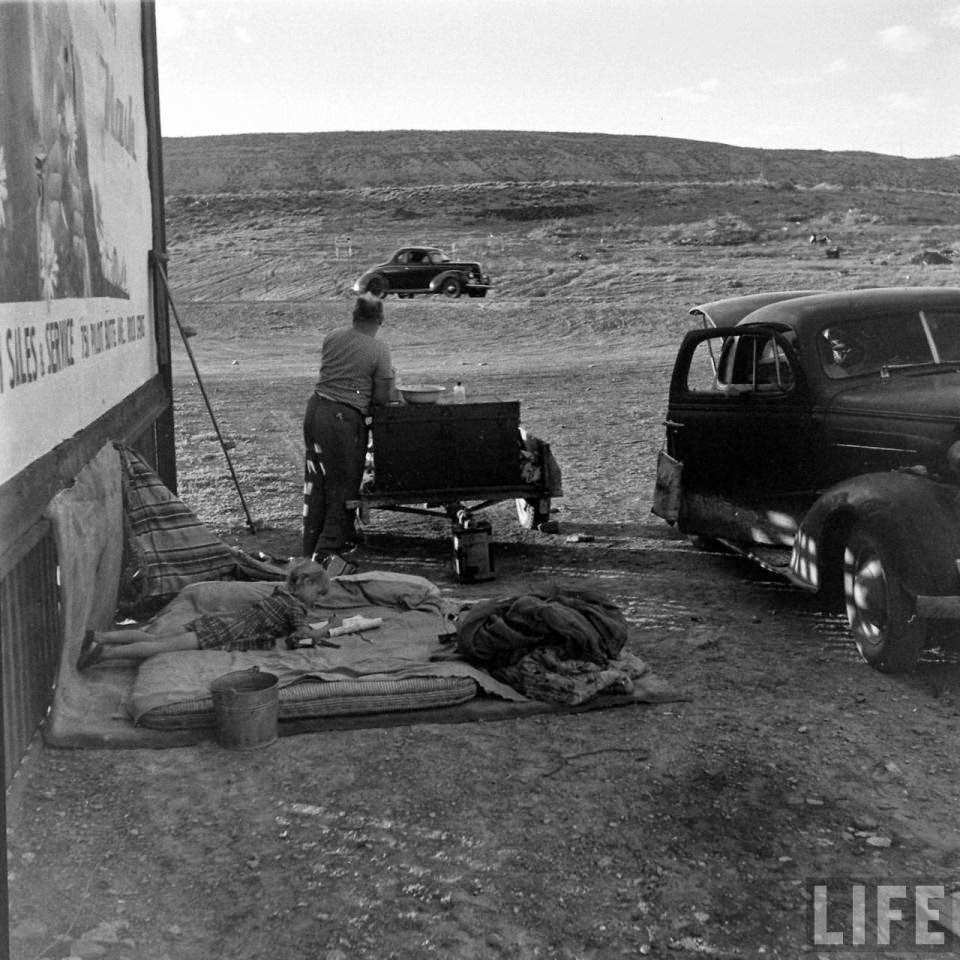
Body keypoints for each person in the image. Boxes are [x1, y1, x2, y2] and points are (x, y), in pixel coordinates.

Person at [76, 559, 336, 671]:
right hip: (224, 631)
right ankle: (104, 654)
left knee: (153, 635)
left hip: (221, 621)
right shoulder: (296, 607)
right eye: (319, 593)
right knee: (161, 647)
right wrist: (323, 631)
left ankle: (99, 636)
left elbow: (285, 631)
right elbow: (301, 633)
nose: (317, 601)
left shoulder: (279, 593)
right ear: (306, 584)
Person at [302, 293, 397, 558]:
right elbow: (380, 397)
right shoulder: (378, 349)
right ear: (380, 319)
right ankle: (328, 554)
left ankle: (310, 547)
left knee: (316, 483)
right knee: (343, 487)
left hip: (315, 410)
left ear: (354, 316)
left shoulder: (333, 337)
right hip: (341, 420)